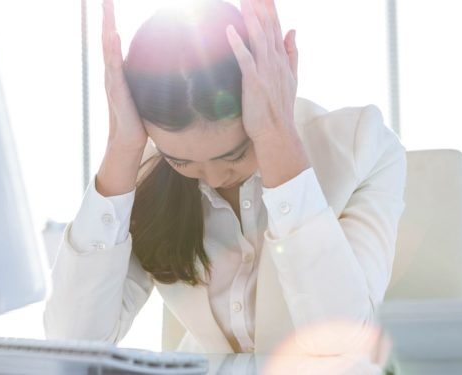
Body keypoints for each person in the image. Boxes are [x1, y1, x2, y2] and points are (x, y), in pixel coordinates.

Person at [44, 0, 406, 356]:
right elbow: (73, 342)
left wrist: (276, 139)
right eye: (180, 161)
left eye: (234, 154)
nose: (214, 177)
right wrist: (121, 148)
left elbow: (341, 344)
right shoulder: (145, 176)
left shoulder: (361, 146)